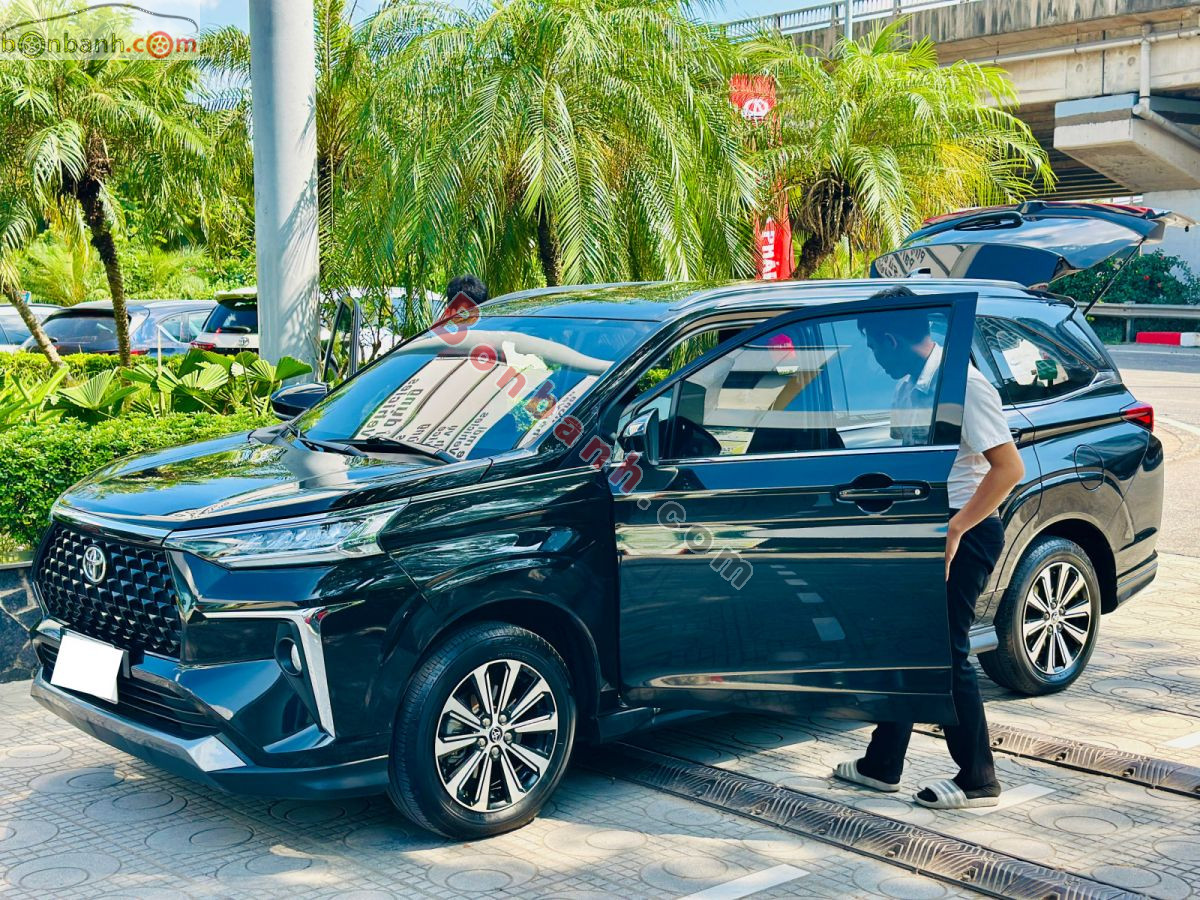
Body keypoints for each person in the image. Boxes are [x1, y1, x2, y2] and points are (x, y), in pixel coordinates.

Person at [833, 287, 1025, 810]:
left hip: (967, 531)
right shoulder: (911, 387)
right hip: (930, 529)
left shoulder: (964, 387)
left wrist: (955, 529)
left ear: (890, 339)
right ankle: (882, 764)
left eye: (872, 344)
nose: (873, 356)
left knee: (947, 651)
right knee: (908, 644)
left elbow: (1008, 468)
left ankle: (979, 778)